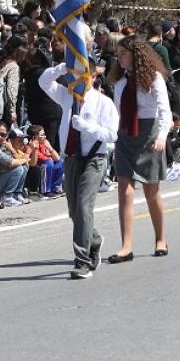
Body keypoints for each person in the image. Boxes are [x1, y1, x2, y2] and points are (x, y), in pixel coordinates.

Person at [38, 55, 119, 279]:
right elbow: (43, 82)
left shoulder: (103, 102)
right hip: (72, 157)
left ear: (93, 76)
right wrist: (61, 68)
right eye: (75, 75)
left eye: (83, 75)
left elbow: (112, 134)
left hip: (94, 158)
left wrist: (88, 127)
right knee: (74, 211)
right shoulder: (66, 95)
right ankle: (93, 240)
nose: (79, 79)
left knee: (84, 207)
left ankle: (82, 260)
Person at [108, 36, 172, 262]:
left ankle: (160, 238)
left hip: (149, 134)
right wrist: (112, 140)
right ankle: (126, 246)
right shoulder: (120, 81)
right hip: (125, 135)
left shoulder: (154, 78)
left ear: (136, 54)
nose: (119, 57)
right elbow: (116, 112)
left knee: (151, 192)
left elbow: (165, 111)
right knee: (124, 191)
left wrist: (162, 136)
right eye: (118, 53)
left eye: (123, 53)